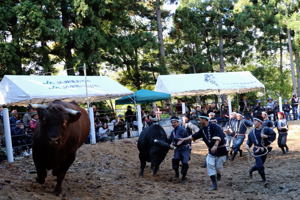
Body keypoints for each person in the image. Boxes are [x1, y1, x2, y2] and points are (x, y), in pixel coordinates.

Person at [178, 115, 228, 190]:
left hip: (221, 150)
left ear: (205, 120)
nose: (199, 121)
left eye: (200, 119)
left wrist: (215, 145)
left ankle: (219, 173)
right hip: (211, 152)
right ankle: (214, 185)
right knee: (210, 165)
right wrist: (183, 139)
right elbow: (194, 136)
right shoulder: (202, 130)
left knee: (218, 168)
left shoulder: (214, 126)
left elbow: (219, 136)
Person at [246, 115, 276, 185]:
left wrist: (266, 136)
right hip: (256, 150)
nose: (254, 122)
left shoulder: (266, 129)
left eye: (255, 121)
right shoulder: (251, 132)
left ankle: (251, 170)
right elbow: (249, 141)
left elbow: (273, 135)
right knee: (260, 166)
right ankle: (264, 180)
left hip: (265, 150)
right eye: (254, 121)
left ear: (260, 122)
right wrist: (247, 145)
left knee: (259, 165)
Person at [169, 116, 190, 183]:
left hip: (184, 148)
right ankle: (177, 174)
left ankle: (183, 177)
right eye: (172, 123)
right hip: (178, 149)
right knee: (175, 160)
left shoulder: (181, 129)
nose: (173, 124)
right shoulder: (173, 131)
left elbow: (178, 140)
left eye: (174, 122)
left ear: (178, 122)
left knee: (185, 163)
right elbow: (169, 140)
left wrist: (173, 145)